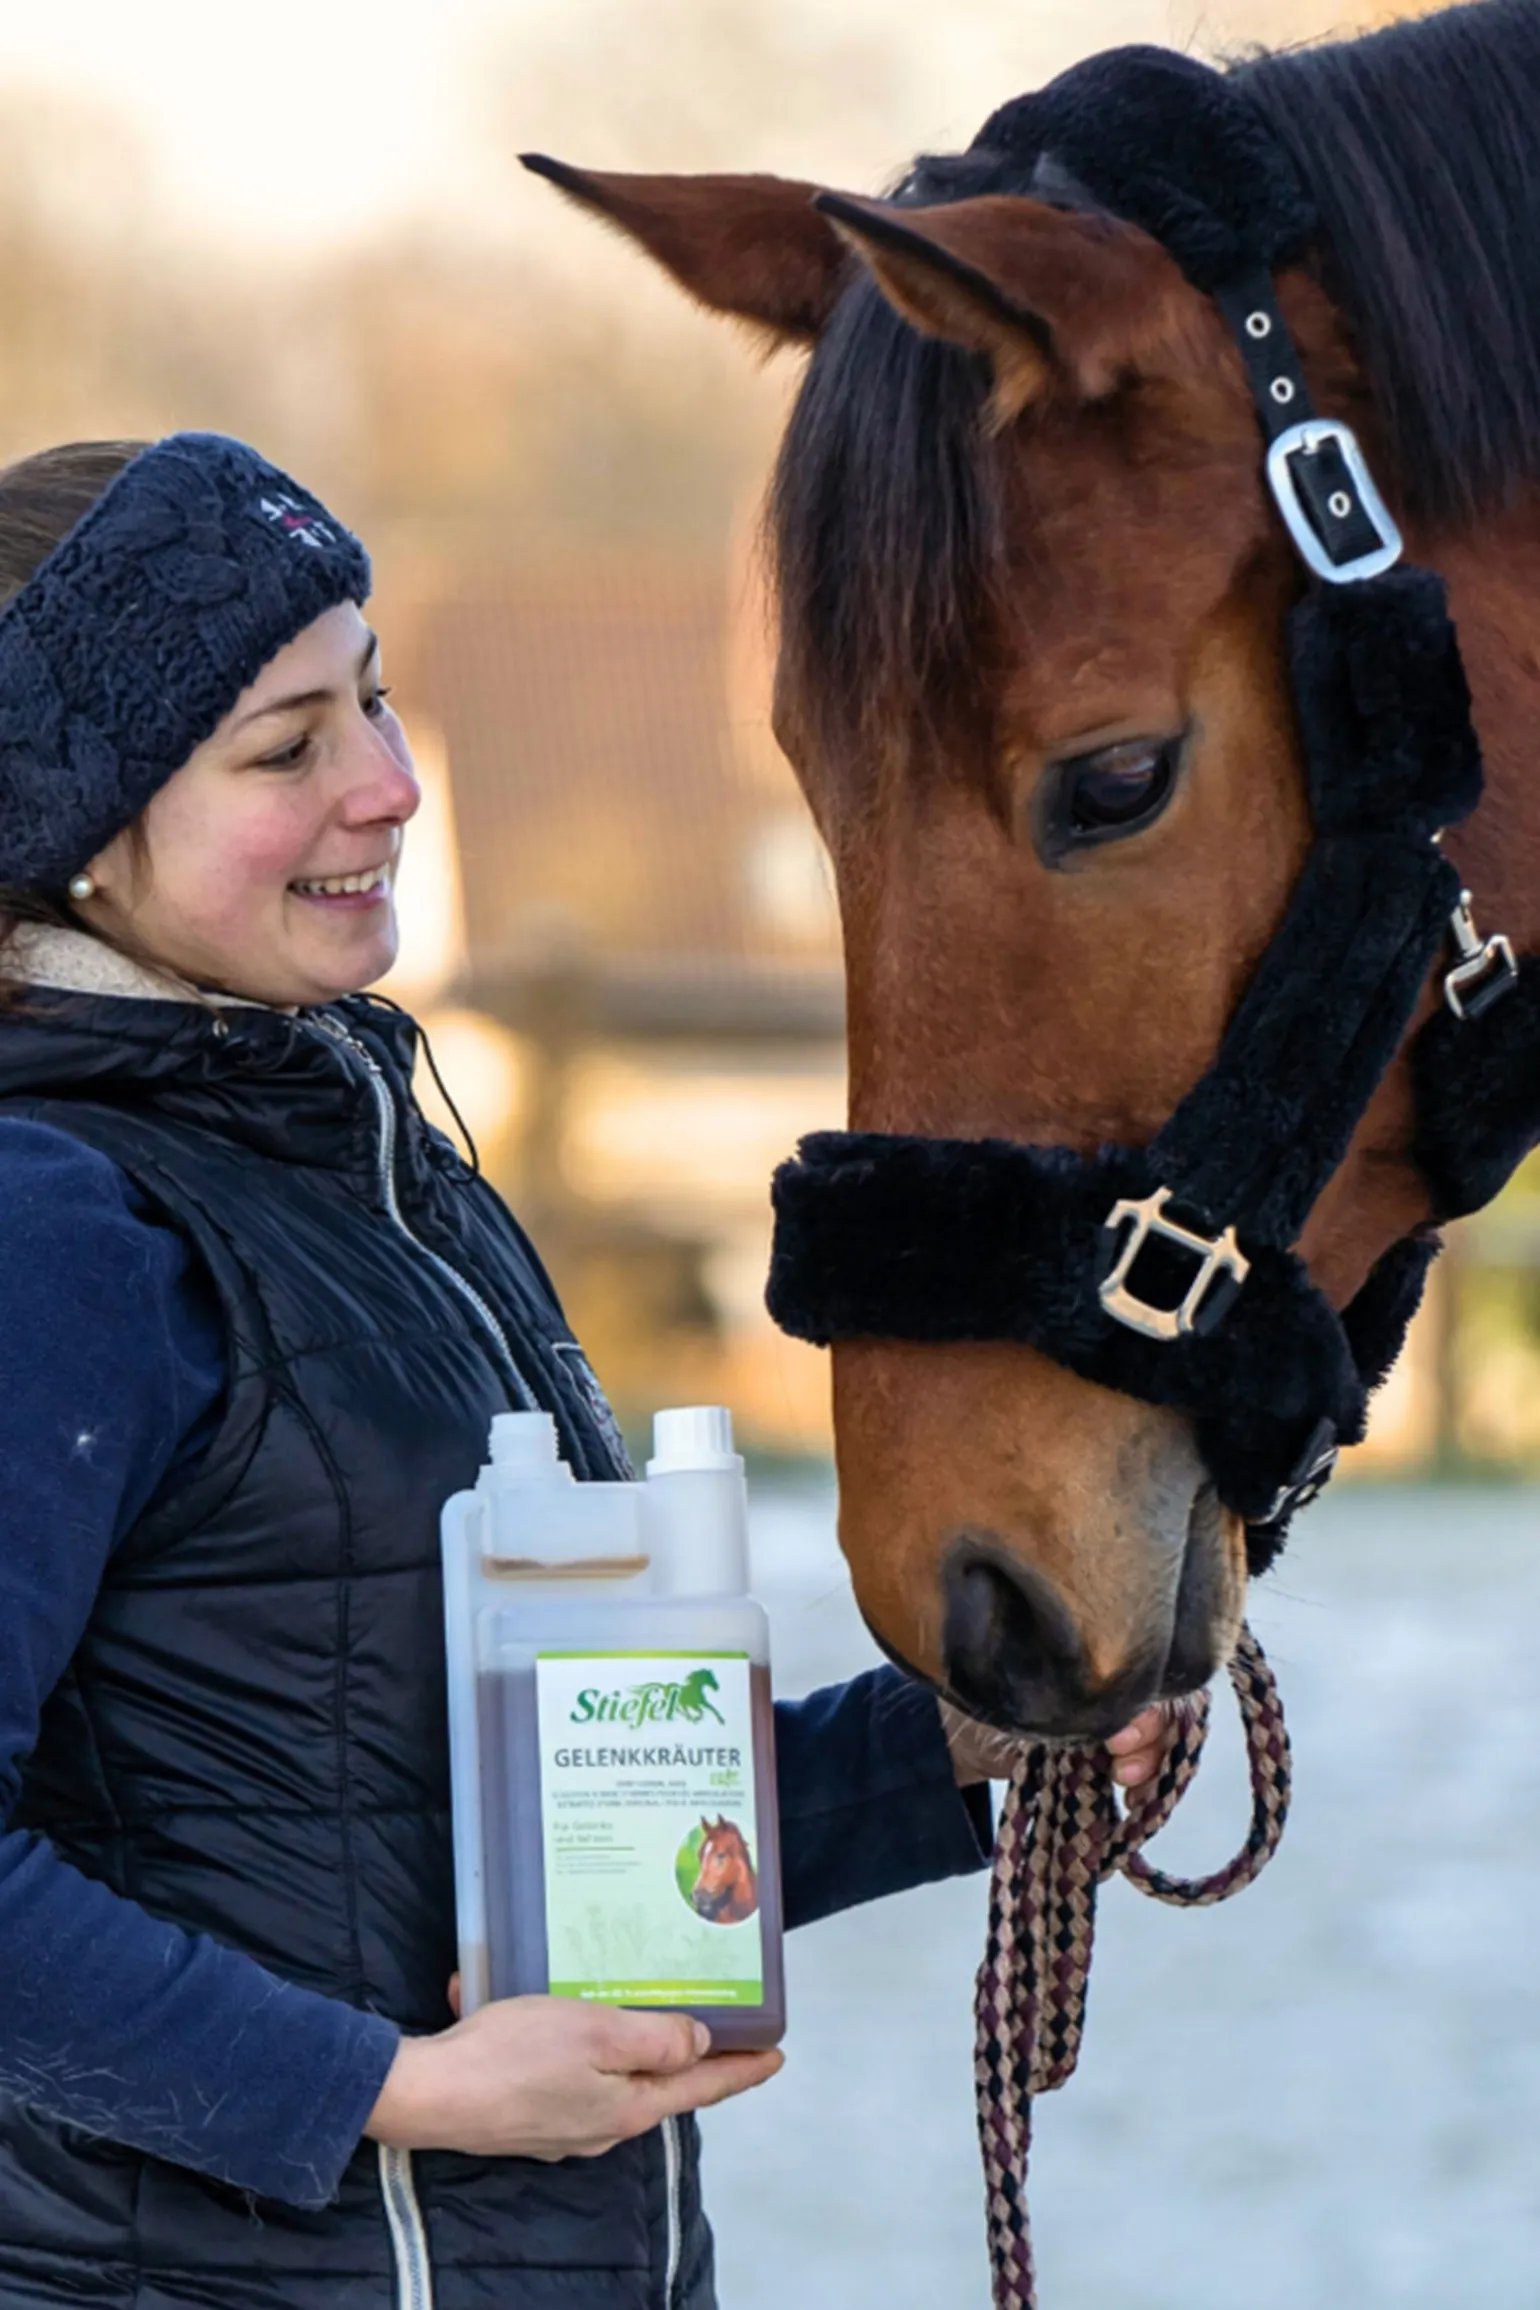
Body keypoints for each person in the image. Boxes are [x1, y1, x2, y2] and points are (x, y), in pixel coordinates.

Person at [0, 433, 1168, 2309]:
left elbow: (575, 1812)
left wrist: (962, 1746)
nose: (386, 785)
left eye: (371, 697)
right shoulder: (51, 1227)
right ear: (74, 821)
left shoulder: (384, 1184)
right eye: (284, 747)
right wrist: (399, 2091)